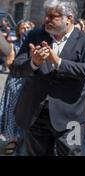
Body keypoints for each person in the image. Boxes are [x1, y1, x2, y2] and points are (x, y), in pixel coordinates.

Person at [10, 0, 85, 156]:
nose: (46, 19)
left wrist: (58, 62)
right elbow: (15, 69)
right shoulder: (34, 35)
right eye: (46, 15)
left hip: (71, 117)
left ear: (69, 18)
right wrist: (33, 63)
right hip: (35, 114)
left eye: (52, 16)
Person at [0, 21, 32, 155]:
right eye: (23, 28)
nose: (25, 30)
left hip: (29, 82)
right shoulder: (15, 45)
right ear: (19, 31)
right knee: (13, 111)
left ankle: (23, 141)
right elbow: (8, 63)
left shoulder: (36, 43)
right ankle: (12, 140)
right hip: (16, 81)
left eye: (28, 28)